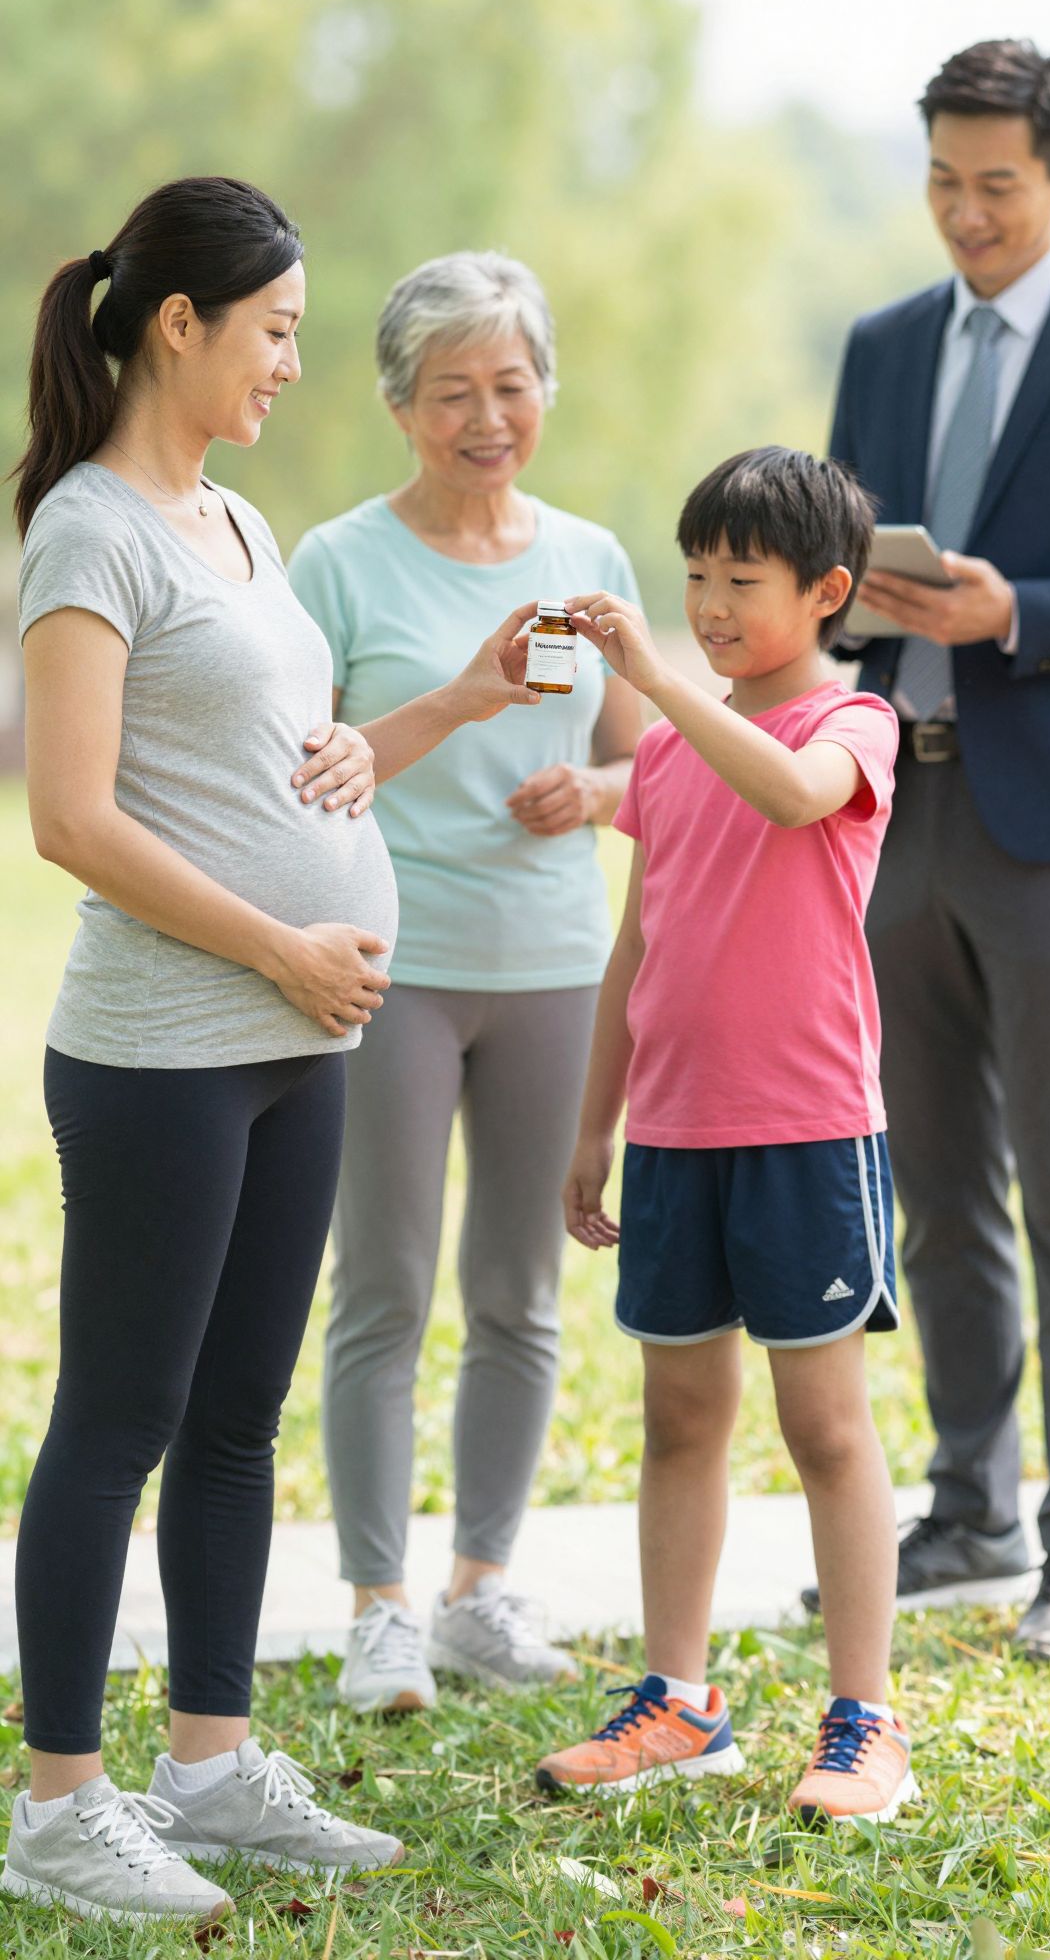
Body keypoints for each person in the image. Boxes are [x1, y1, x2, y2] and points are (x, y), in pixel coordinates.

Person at [4, 179, 540, 1930]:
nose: (295, 363)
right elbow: (71, 818)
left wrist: (439, 711)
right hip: (166, 1054)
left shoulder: (234, 520)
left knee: (238, 1418)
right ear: (181, 325)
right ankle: (58, 1805)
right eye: (279, 331)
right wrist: (282, 947)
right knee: (120, 1421)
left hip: (296, 1038)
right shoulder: (90, 533)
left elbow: (291, 764)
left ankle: (212, 1767)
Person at [804, 40, 1050, 1663]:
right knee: (936, 1185)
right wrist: (834, 601)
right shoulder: (882, 347)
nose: (964, 213)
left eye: (996, 186)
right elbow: (831, 572)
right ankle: (971, 1509)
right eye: (943, 181)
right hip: (892, 809)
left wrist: (1021, 612)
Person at [533, 447, 916, 1826]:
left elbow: (794, 795)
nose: (707, 605)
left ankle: (866, 1719)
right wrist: (596, 1126)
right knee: (679, 1417)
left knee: (825, 1428)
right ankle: (679, 1703)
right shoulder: (666, 752)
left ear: (826, 592)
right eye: (695, 576)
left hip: (809, 1129)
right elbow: (640, 943)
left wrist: (658, 680)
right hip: (676, 1133)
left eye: (741, 581)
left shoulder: (852, 723)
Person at [288, 251, 642, 1712]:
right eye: (452, 393)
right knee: (380, 1286)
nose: (488, 419)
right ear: (398, 405)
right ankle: (380, 1606)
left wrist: (597, 796)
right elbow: (298, 775)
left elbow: (647, 755)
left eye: (511, 385)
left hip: (555, 968)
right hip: (392, 968)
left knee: (520, 1292)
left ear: (545, 390)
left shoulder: (593, 559)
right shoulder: (338, 564)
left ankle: (481, 1590)